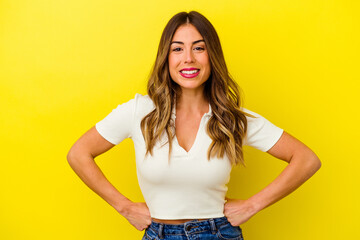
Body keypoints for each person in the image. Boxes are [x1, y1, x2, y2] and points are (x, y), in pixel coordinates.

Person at [67, 11, 321, 240]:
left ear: (212, 55)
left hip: (219, 234)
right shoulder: (139, 111)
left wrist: (252, 205)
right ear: (166, 57)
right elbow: (79, 154)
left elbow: (306, 159)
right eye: (177, 49)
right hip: (158, 234)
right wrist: (124, 207)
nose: (188, 58)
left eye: (199, 48)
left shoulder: (232, 119)